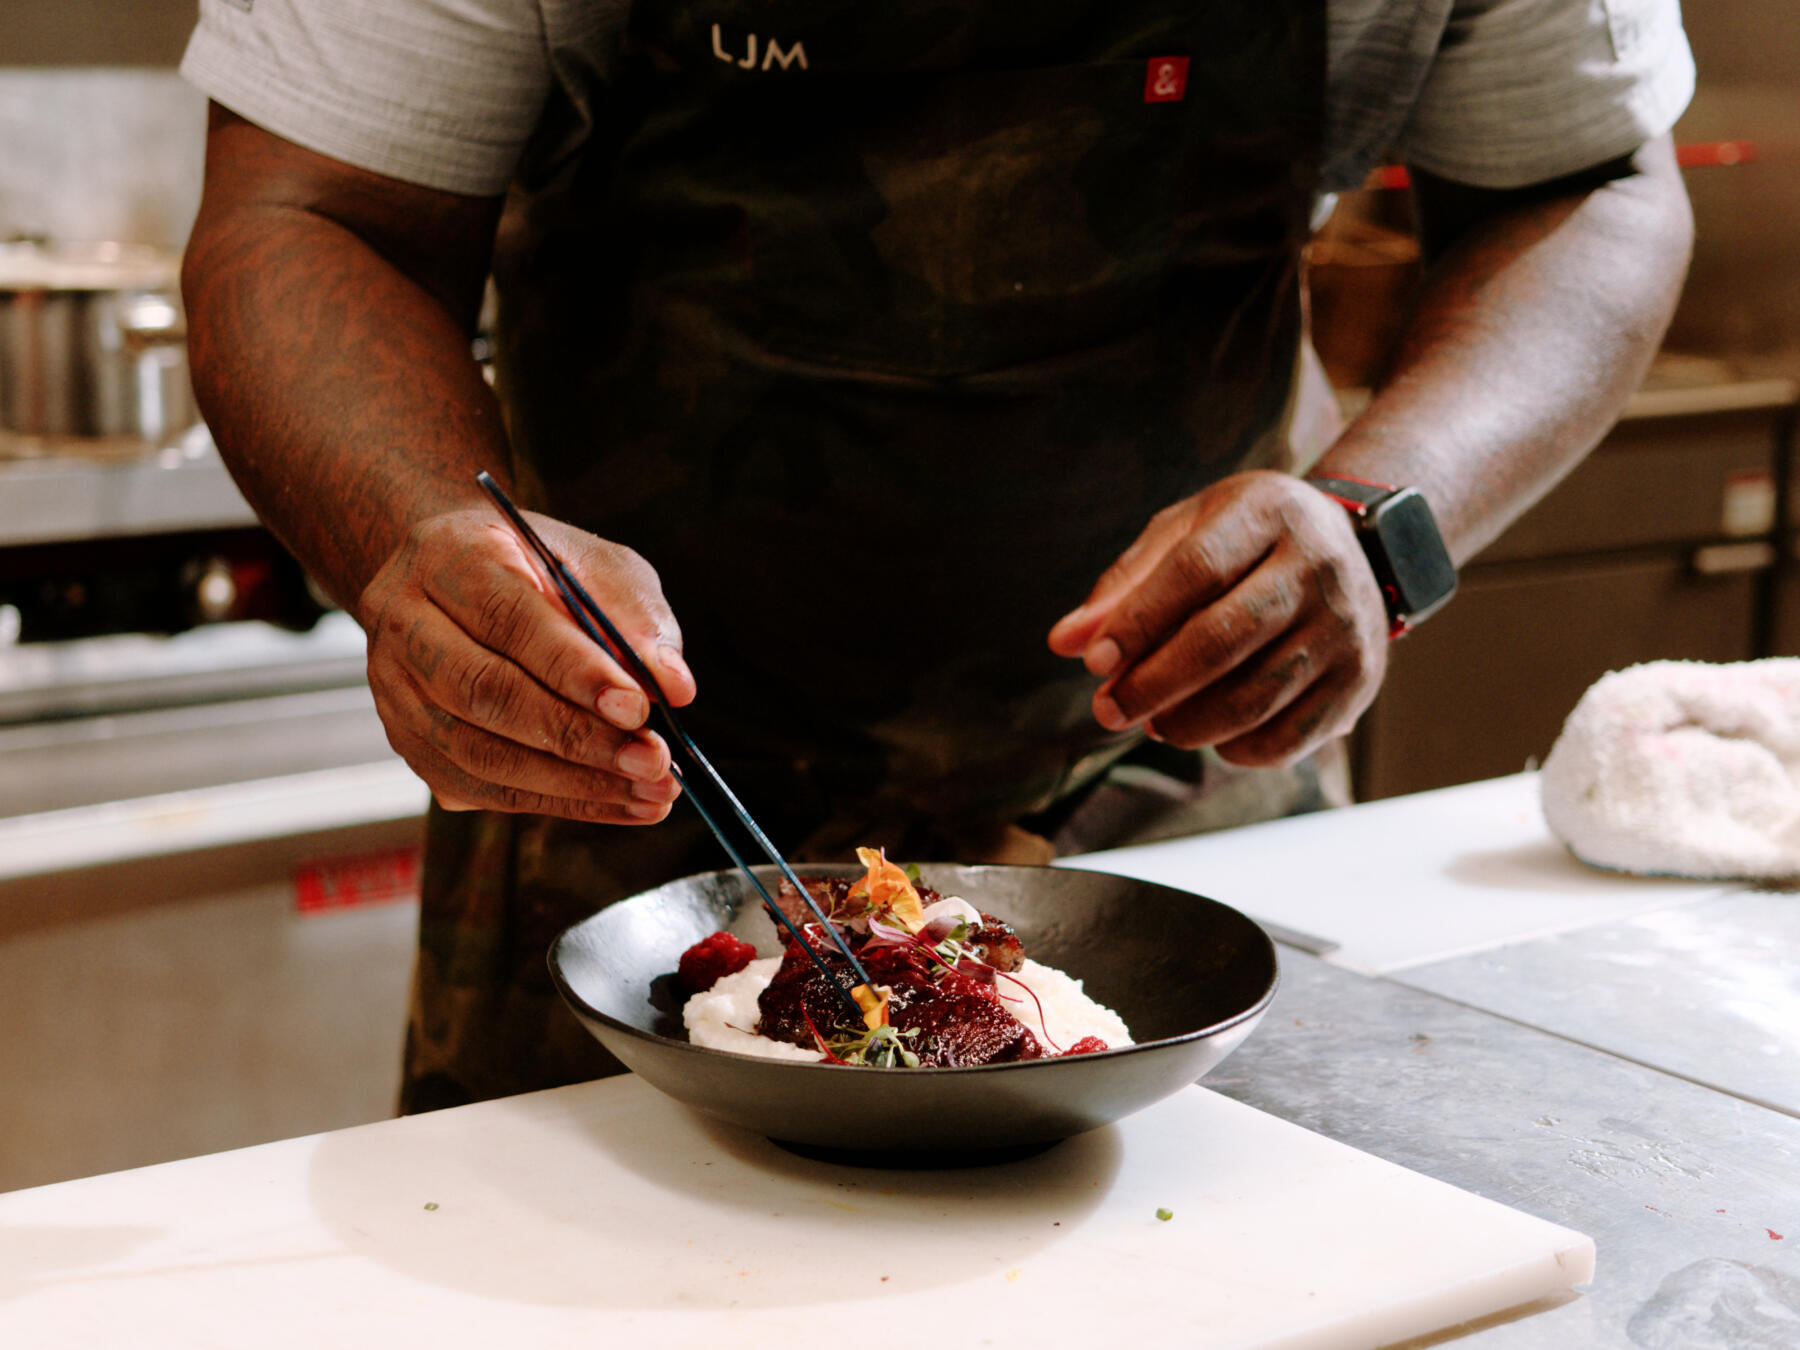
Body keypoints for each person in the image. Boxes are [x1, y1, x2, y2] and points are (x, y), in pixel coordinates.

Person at [178, 0, 1696, 1110]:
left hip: (1180, 809)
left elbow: (1586, 178)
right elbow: (309, 213)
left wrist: (1379, 520)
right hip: (635, 811)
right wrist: (422, 530)